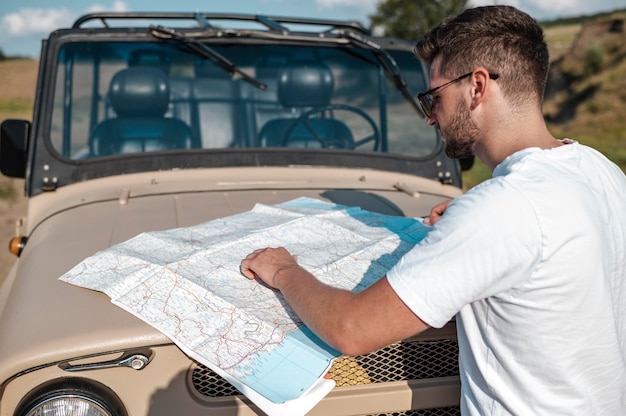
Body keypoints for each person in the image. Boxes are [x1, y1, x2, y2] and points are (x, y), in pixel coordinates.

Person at [241, 5, 626, 415]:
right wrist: (475, 219)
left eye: (434, 97)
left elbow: (351, 330)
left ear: (477, 87)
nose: (430, 118)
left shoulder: (503, 210)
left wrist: (284, 270)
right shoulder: (601, 172)